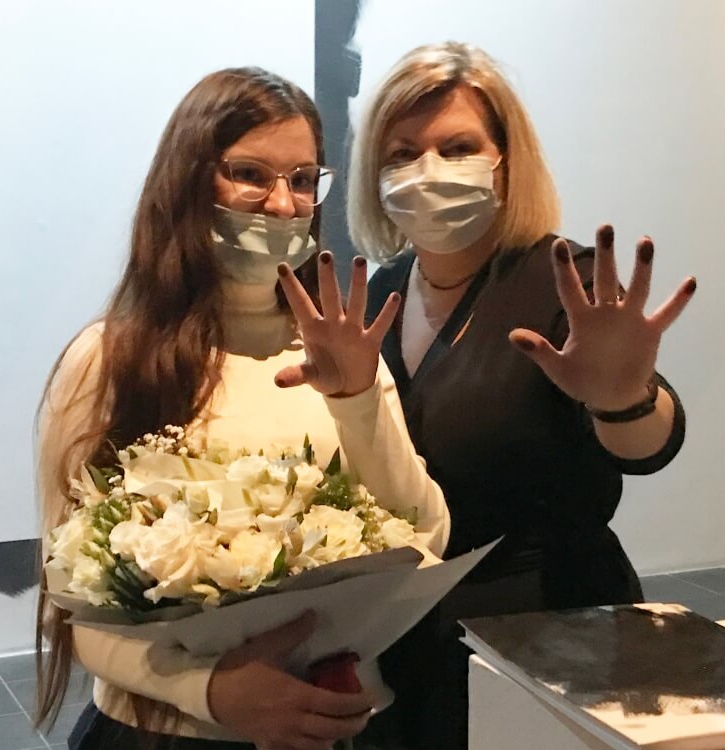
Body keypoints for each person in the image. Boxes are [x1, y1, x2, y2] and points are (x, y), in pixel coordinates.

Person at [34, 66, 450, 750]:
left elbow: (427, 536)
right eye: (250, 175)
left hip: (336, 727)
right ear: (187, 182)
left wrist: (356, 399)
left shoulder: (339, 354)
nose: (282, 205)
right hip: (161, 736)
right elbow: (72, 600)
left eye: (303, 179)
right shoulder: (107, 360)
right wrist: (206, 691)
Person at [347, 42, 696, 749]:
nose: (429, 170)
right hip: (403, 645)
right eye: (403, 153)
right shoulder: (381, 291)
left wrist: (624, 400)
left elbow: (647, 445)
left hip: (546, 638)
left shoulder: (568, 281)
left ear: (506, 161)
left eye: (458, 148)